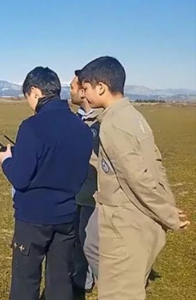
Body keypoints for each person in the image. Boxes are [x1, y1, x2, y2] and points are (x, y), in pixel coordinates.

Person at [78, 56, 190, 299]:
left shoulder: (113, 125)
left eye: (85, 88)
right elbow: (156, 164)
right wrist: (167, 203)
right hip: (134, 223)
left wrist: (169, 214)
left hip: (125, 225)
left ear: (101, 87)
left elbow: (136, 178)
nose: (83, 95)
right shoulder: (132, 117)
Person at [0, 66, 93, 300]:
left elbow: (20, 178)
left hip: (33, 218)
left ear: (35, 92)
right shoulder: (82, 129)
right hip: (66, 216)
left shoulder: (31, 127)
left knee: (25, 280)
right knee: (60, 280)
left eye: (27, 98)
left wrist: (6, 160)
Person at [69, 70, 100, 293]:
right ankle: (82, 281)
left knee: (91, 242)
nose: (69, 91)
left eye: (72, 87)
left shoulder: (102, 123)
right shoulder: (77, 119)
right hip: (76, 192)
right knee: (78, 239)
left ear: (84, 90)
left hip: (94, 194)